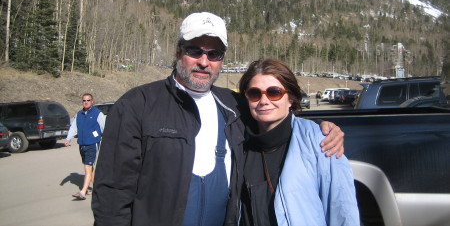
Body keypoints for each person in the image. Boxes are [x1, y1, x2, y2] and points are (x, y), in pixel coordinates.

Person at [92, 12, 345, 226]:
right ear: (178, 51)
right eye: (195, 51)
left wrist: (321, 128)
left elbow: (275, 117)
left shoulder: (235, 105)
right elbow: (112, 194)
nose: (204, 62)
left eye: (214, 54)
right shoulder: (138, 105)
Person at [238, 59, 359, 226]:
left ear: (291, 98)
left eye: (274, 92)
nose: (264, 101)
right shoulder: (239, 143)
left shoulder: (321, 141)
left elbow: (342, 210)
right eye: (255, 93)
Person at [65, 93, 105, 200]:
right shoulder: (79, 114)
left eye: (88, 100)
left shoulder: (98, 113)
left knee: (87, 167)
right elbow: (74, 127)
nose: (86, 102)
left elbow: (104, 127)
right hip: (82, 144)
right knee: (90, 168)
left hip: (92, 144)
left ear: (92, 101)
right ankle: (98, 189)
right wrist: (68, 138)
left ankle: (83, 191)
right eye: (84, 100)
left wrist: (104, 139)